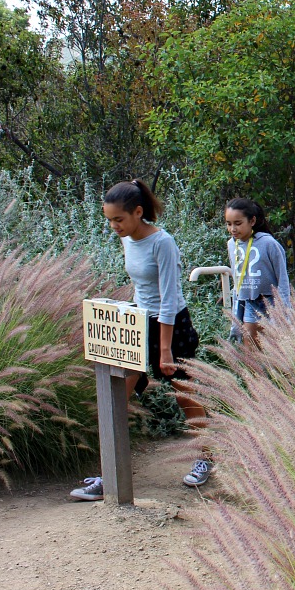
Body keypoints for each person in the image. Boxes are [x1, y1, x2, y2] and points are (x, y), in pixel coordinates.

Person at [71, 179, 210, 501]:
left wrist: (164, 350)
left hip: (172, 326)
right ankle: (110, 475)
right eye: (108, 219)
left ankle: (206, 457)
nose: (113, 226)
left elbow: (170, 298)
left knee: (184, 393)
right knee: (118, 395)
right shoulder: (128, 239)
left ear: (137, 212)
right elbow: (141, 288)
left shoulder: (163, 242)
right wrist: (130, 323)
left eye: (118, 219)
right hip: (140, 323)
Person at [225, 198, 291, 348]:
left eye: (238, 223)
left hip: (272, 301)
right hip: (250, 300)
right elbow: (237, 276)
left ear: (252, 221)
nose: (232, 229)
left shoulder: (269, 243)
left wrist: (285, 310)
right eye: (229, 224)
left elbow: (283, 279)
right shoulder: (231, 244)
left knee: (277, 350)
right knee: (251, 349)